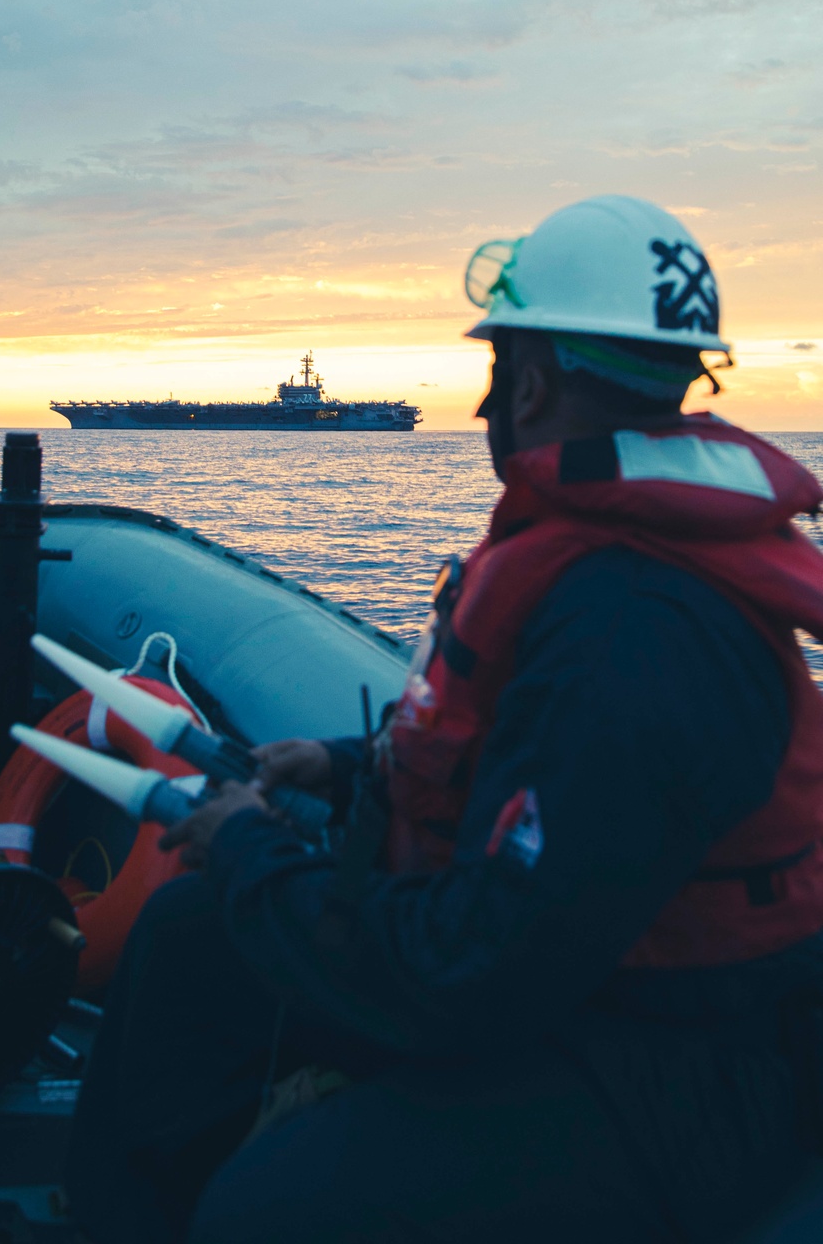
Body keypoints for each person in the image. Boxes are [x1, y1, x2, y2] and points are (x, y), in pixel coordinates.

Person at [66, 195, 823, 1244]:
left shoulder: (632, 629)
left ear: (535, 378)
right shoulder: (608, 577)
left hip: (673, 1064)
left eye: (495, 371)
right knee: (188, 934)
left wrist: (244, 844)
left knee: (269, 1209)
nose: (479, 410)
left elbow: (473, 976)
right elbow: (533, 766)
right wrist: (345, 764)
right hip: (572, 974)